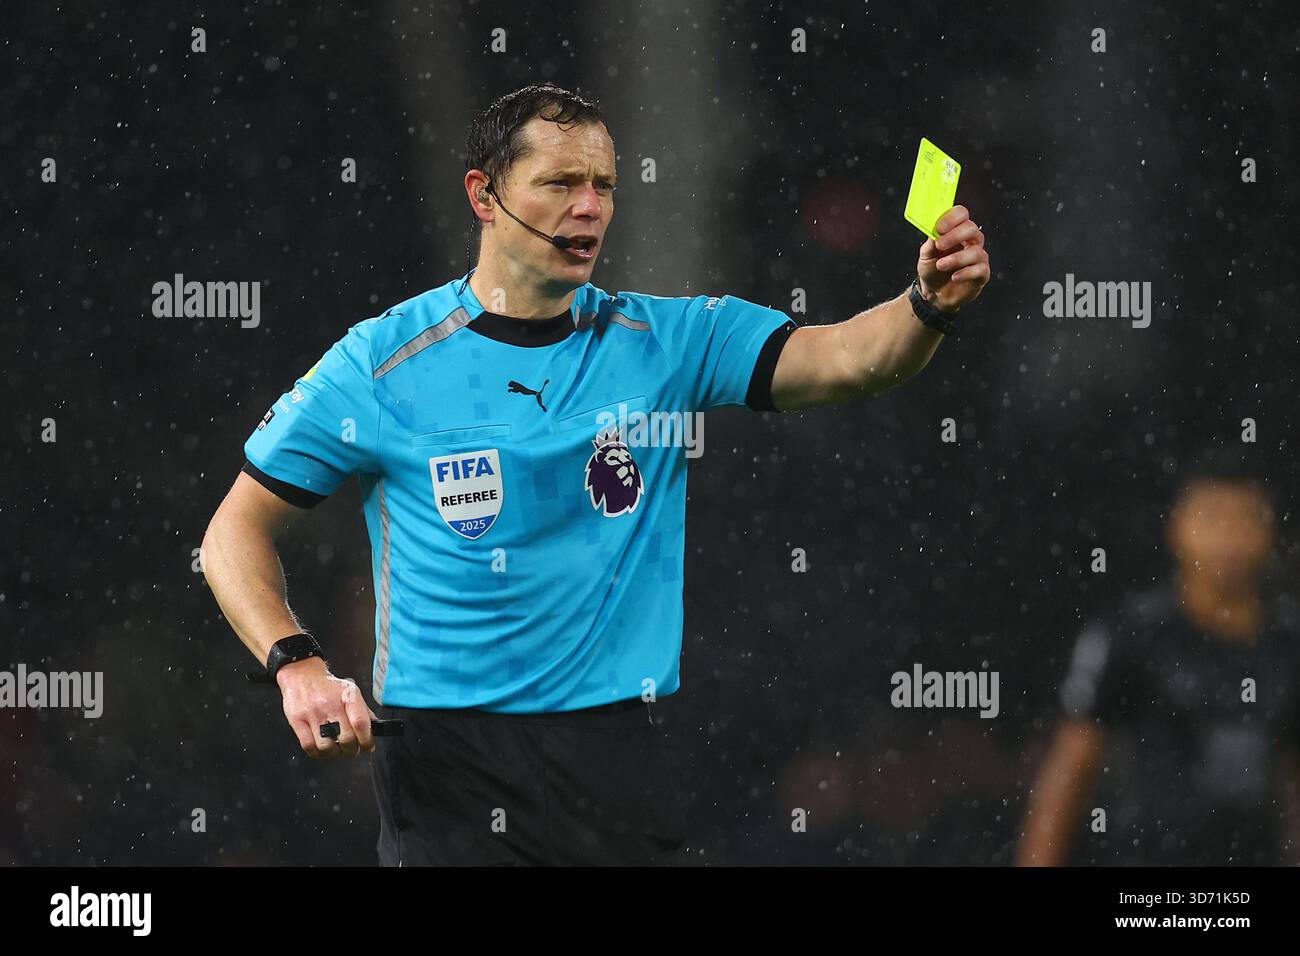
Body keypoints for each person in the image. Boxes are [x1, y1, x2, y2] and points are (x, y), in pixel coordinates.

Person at [201, 83, 992, 865]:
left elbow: (855, 358)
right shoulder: (381, 363)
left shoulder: (667, 341)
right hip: (450, 778)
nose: (590, 208)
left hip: (616, 766)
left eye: (604, 185)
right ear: (484, 194)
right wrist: (295, 662)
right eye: (559, 184)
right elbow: (234, 529)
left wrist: (928, 302)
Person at [1017, 445, 1300, 865]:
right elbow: (1071, 771)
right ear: (1177, 528)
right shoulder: (1133, 633)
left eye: (1245, 518)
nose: (1228, 538)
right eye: (1211, 517)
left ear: (1271, 531)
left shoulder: (1288, 639)